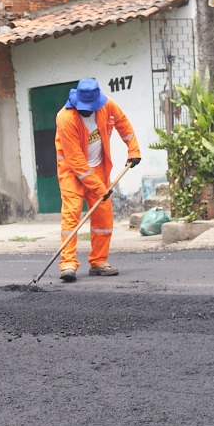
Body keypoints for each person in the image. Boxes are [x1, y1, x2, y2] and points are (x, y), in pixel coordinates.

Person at [55, 78, 141, 282]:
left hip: (99, 170)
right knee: (71, 217)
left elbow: (123, 123)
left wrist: (133, 149)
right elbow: (76, 161)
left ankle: (98, 262)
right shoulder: (65, 118)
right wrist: (99, 187)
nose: (89, 111)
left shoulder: (106, 105)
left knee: (103, 219)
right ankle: (68, 263)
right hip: (72, 173)